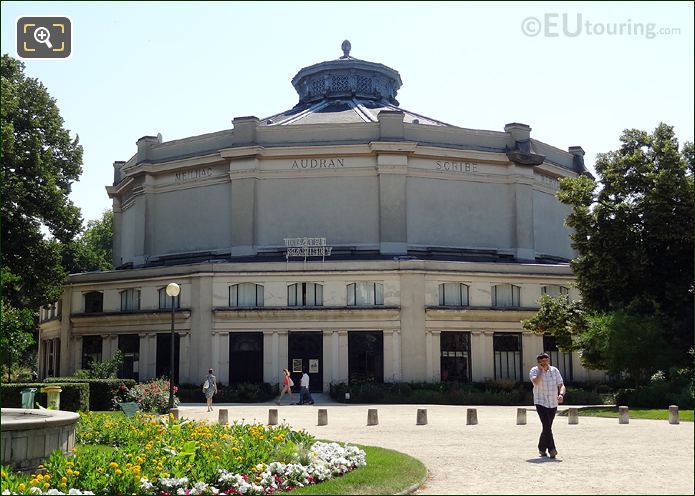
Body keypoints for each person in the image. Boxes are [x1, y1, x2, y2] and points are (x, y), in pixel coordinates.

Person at [529, 353, 566, 458]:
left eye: (546, 360)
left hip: (553, 402)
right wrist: (541, 371)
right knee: (546, 425)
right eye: (542, 361)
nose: (545, 363)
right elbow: (536, 382)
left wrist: (561, 394)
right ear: (539, 362)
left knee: (547, 426)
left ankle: (541, 448)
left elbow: (561, 384)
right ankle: (552, 449)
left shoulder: (554, 370)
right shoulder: (534, 371)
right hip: (540, 402)